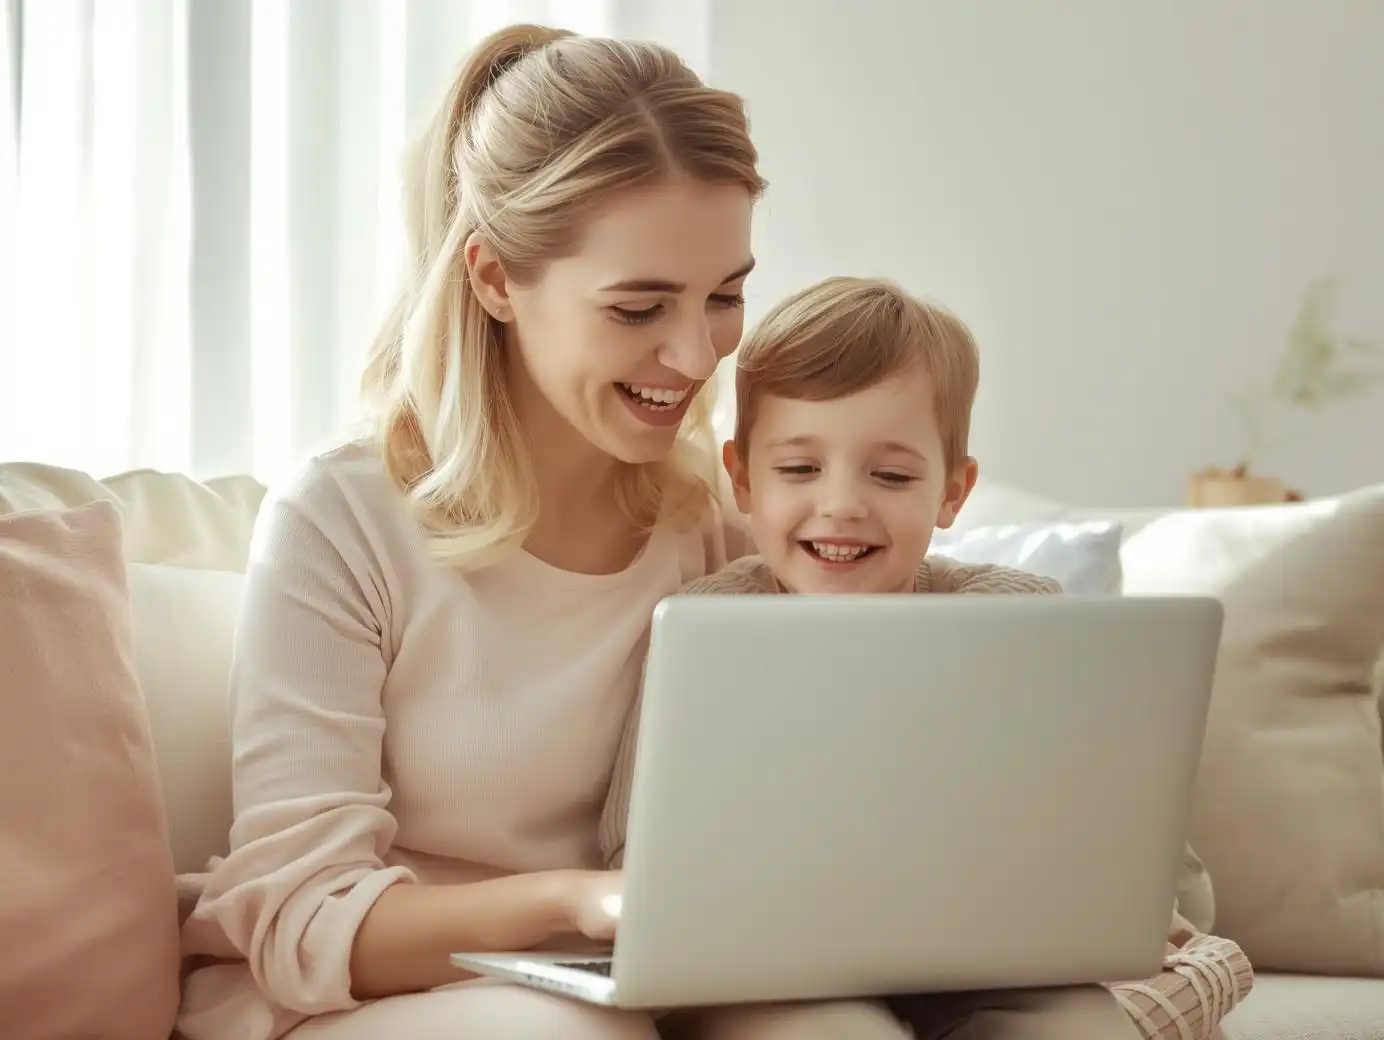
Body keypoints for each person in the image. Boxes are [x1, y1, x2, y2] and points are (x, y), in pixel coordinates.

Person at [175, 22, 927, 1040]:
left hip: (634, 969)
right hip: (380, 994)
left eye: (725, 295)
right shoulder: (342, 517)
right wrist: (574, 903)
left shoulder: (706, 522)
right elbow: (306, 914)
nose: (694, 351)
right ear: (494, 279)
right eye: (636, 307)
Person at [600, 276, 1255, 1039]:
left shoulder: (1018, 617)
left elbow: (1126, 863)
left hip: (995, 967)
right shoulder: (703, 627)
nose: (842, 504)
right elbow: (627, 852)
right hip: (773, 976)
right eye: (800, 469)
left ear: (953, 490)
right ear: (742, 477)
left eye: (892, 475)